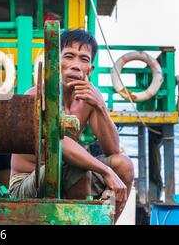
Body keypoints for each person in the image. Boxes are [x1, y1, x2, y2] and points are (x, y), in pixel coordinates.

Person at [10, 29, 134, 221]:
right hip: (27, 183)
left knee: (124, 165)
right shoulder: (36, 96)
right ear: (55, 63)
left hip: (64, 174)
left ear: (90, 70)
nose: (76, 66)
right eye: (69, 56)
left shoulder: (87, 100)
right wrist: (105, 171)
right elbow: (60, 144)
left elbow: (112, 149)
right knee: (77, 168)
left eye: (83, 59)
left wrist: (100, 106)